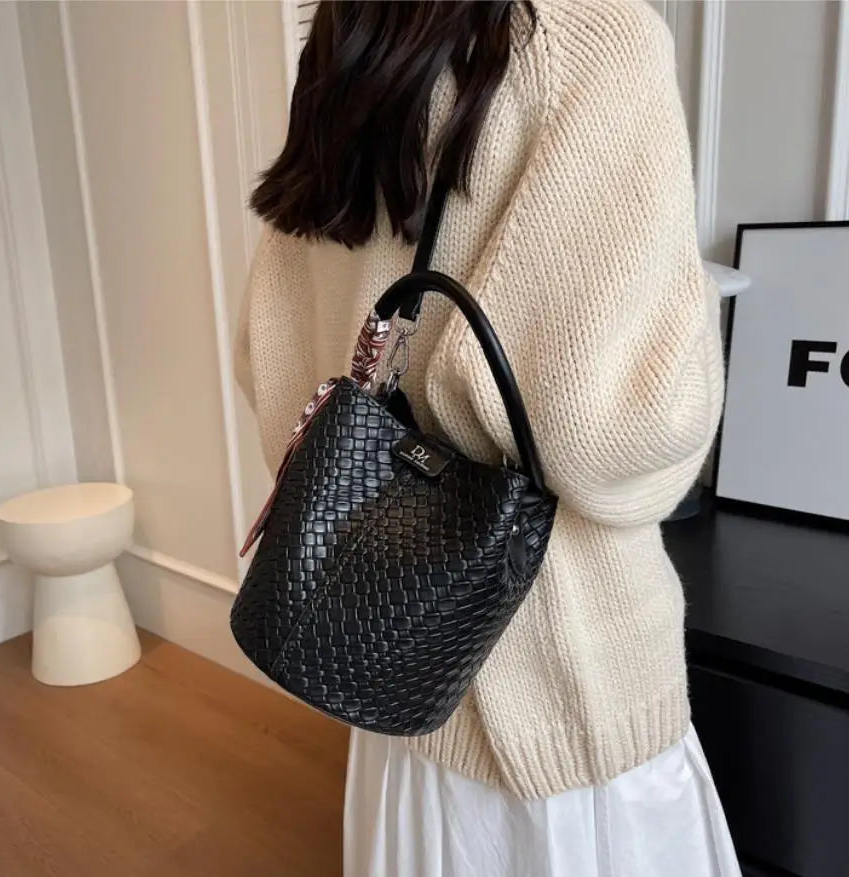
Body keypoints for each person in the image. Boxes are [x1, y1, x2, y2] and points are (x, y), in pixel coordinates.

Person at [234, 1, 740, 875]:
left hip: (399, 668)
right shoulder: (595, 41)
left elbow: (270, 360)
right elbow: (618, 435)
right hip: (558, 693)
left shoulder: (355, 33)